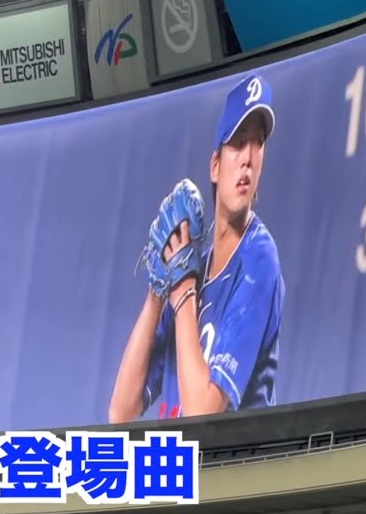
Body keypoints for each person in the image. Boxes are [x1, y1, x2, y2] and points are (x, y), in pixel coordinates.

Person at [109, 74, 286, 422]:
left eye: (258, 143)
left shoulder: (258, 259)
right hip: (185, 457)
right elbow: (121, 411)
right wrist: (157, 291)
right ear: (215, 166)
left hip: (235, 456)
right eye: (238, 143)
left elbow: (202, 415)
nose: (248, 158)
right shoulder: (194, 270)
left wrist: (182, 292)